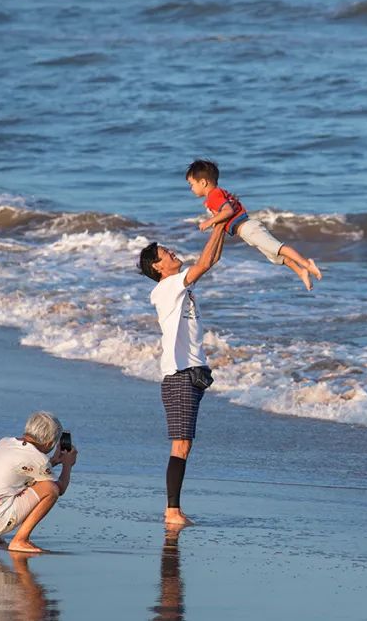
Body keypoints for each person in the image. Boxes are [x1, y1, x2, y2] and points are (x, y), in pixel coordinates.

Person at [138, 221, 226, 526]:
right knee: (180, 444)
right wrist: (218, 223)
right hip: (179, 376)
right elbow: (203, 263)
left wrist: (224, 229)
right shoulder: (167, 288)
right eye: (166, 253)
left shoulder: (178, 287)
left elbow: (211, 261)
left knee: (184, 444)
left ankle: (173, 509)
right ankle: (172, 511)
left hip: (190, 374)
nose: (173, 253)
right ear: (158, 267)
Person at [186, 159, 322, 291]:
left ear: (203, 182)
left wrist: (210, 221)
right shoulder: (218, 193)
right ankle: (301, 272)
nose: (191, 188)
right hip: (247, 231)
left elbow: (228, 211)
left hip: (248, 228)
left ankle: (306, 263)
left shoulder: (213, 196)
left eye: (191, 184)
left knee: (279, 248)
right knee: (276, 256)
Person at [0, 411, 77, 553]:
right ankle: (20, 540)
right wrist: (68, 465)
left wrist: (55, 461)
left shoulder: (4, 442)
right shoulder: (38, 460)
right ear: (50, 443)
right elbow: (60, 488)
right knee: (50, 489)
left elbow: (27, 469)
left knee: (12, 484)